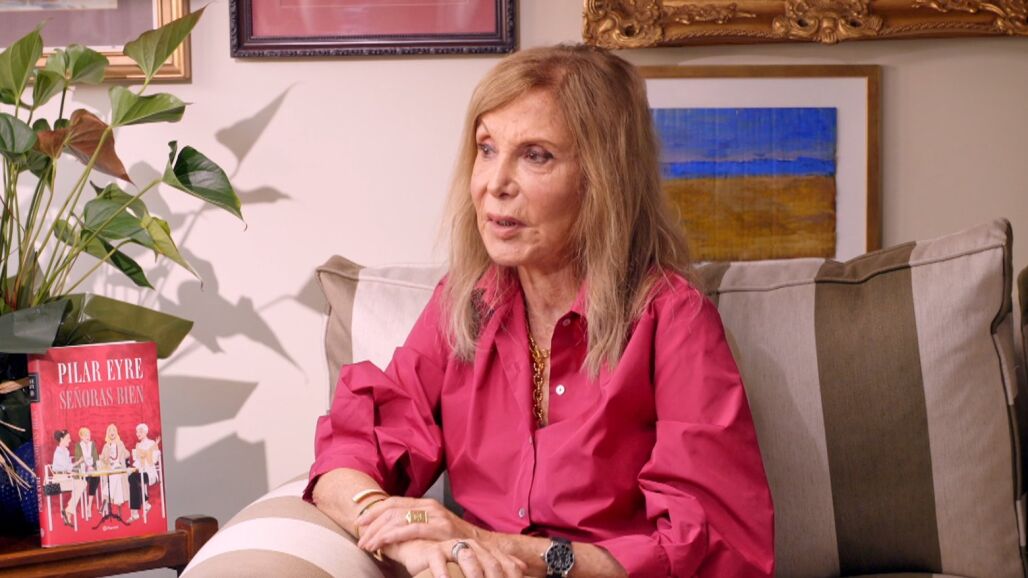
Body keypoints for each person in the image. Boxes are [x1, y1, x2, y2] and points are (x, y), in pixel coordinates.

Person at [307, 45, 774, 578]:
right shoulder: (465, 301)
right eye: (486, 149)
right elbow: (350, 452)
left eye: (536, 156)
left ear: (603, 179)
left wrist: (486, 542)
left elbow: (713, 546)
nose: (494, 185)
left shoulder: (673, 319)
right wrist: (406, 535)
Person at [50, 429, 87, 527]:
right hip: (58, 480)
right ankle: (68, 512)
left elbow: (68, 467)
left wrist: (77, 464)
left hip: (65, 478)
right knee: (81, 484)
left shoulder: (65, 451)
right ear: (62, 439)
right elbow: (67, 468)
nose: (70, 440)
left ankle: (68, 512)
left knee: (82, 483)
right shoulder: (58, 452)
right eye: (68, 438)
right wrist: (76, 465)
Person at [128, 423, 160, 522]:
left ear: (146, 432)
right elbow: (137, 461)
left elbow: (155, 459)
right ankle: (144, 505)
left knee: (132, 478)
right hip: (141, 471)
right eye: (137, 432)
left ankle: (136, 512)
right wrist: (133, 467)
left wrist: (145, 455)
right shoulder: (138, 445)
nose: (138, 434)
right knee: (131, 477)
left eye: (140, 431)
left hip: (149, 473)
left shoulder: (152, 443)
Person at [100, 423, 130, 514]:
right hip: (110, 470)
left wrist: (124, 453)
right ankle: (118, 507)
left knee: (116, 477)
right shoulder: (106, 446)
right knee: (115, 477)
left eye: (113, 430)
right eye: (110, 431)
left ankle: (105, 501)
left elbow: (127, 454)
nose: (112, 432)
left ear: (116, 432)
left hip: (120, 468)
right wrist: (102, 458)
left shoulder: (120, 443)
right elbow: (103, 460)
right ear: (107, 433)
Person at [74, 427, 101, 510]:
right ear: (81, 436)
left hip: (92, 470)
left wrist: (93, 467)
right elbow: (78, 459)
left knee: (96, 478)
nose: (88, 437)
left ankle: (89, 505)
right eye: (85, 435)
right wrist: (86, 467)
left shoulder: (92, 444)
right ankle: (84, 505)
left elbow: (96, 458)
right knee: (85, 480)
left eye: (89, 435)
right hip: (83, 471)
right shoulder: (78, 445)